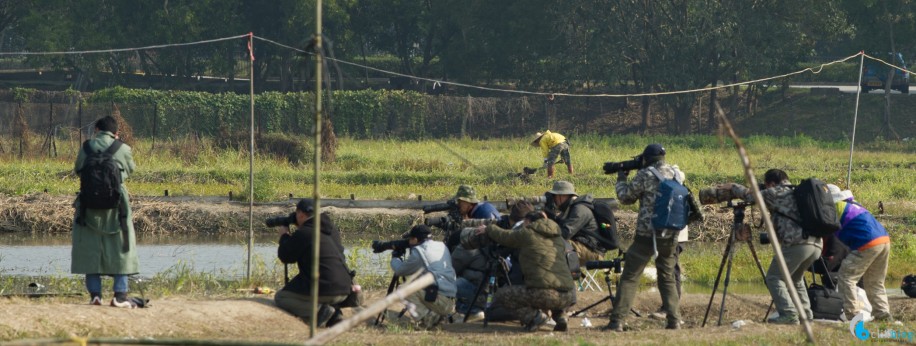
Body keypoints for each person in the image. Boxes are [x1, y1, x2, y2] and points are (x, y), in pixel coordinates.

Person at [606, 143, 686, 331]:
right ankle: (674, 320)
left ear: (646, 159)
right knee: (666, 276)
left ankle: (617, 321)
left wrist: (621, 178)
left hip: (646, 233)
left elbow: (625, 197)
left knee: (630, 276)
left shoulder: (646, 174)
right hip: (670, 232)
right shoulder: (677, 173)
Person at [728, 169, 822, 325]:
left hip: (797, 244)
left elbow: (751, 197)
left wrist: (732, 186)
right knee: (795, 278)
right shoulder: (796, 192)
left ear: (770, 183)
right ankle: (805, 314)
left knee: (773, 277)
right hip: (816, 244)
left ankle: (789, 314)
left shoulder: (776, 192)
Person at [71, 115, 139, 307]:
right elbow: (130, 170)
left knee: (90, 249)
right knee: (122, 247)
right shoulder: (123, 149)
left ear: (96, 130)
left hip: (88, 205)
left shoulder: (86, 148)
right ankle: (120, 296)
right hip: (117, 205)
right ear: (116, 133)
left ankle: (95, 296)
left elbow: (78, 169)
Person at [477, 211, 577, 332]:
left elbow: (505, 236)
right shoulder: (558, 238)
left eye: (524, 223)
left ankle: (534, 317)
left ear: (529, 222)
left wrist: (489, 228)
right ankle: (561, 317)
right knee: (551, 287)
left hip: (545, 294)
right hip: (569, 295)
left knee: (503, 294)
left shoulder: (528, 233)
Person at [275, 199, 351, 326]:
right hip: (345, 289)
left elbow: (285, 256)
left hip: (326, 290)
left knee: (281, 297)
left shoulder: (304, 233)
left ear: (300, 214)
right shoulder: (331, 230)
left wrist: (284, 236)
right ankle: (335, 314)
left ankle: (320, 311)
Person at [826, 184, 893, 322]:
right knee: (875, 282)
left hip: (867, 242)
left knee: (846, 277)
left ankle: (853, 316)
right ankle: (883, 315)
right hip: (884, 240)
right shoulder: (853, 205)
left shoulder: (834, 207)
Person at [390, 225, 458, 329]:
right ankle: (437, 316)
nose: (408, 242)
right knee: (418, 284)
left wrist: (395, 258)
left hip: (440, 301)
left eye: (410, 239)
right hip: (450, 302)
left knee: (402, 290)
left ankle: (427, 319)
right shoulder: (442, 246)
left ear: (416, 239)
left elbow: (400, 271)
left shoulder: (419, 251)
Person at [545, 181, 605, 262]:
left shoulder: (580, 209)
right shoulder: (572, 207)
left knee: (549, 245)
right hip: (582, 246)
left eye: (554, 196)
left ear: (562, 196)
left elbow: (565, 233)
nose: (554, 200)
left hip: (592, 252)